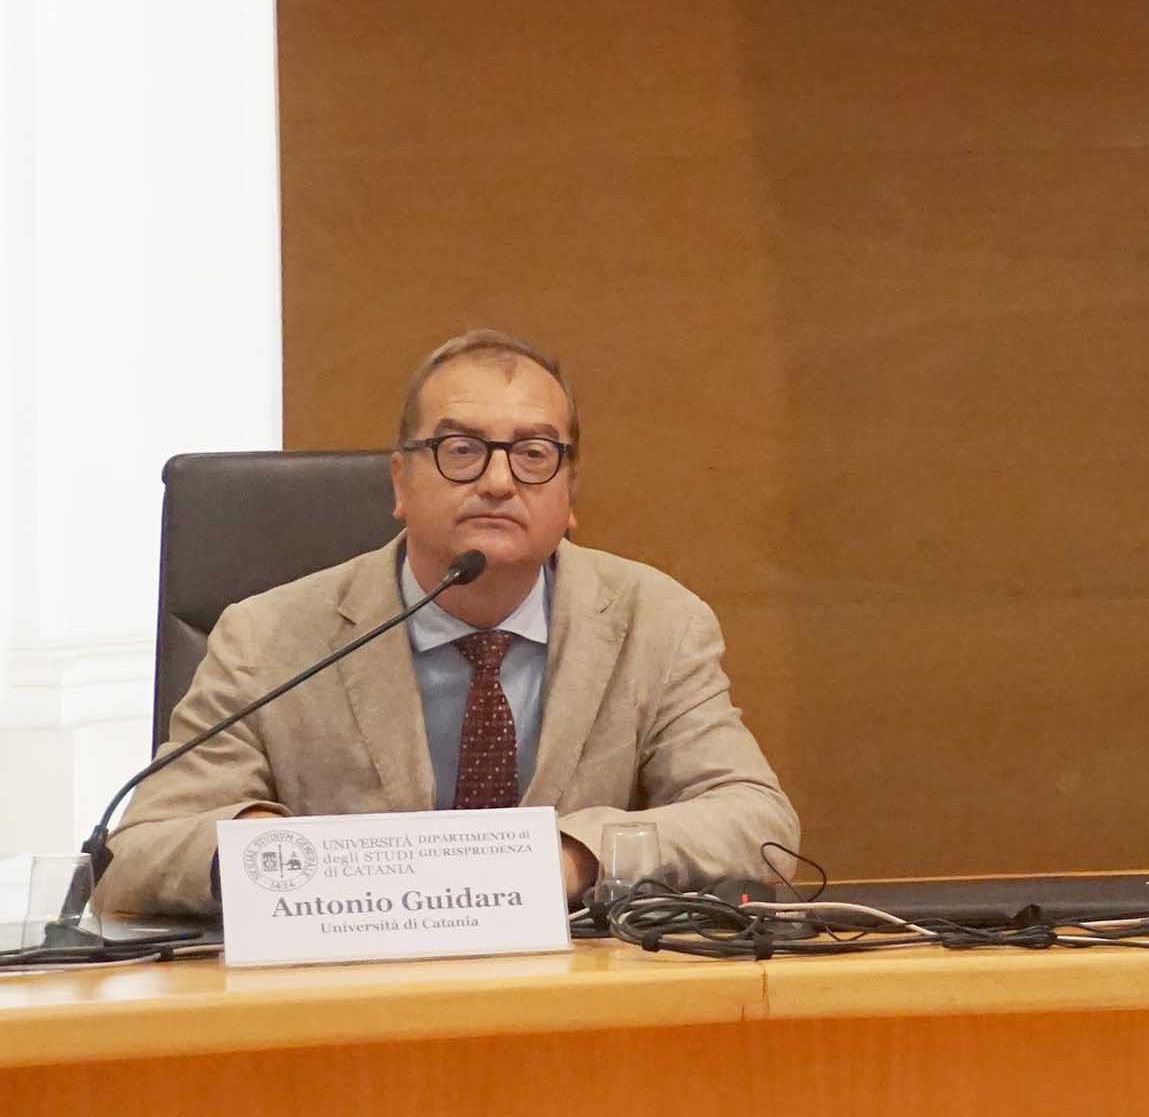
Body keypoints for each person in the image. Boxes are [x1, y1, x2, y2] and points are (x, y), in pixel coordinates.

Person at [97, 329, 798, 917]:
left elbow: (757, 823)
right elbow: (140, 851)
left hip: (573, 1009)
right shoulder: (267, 637)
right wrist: (265, 850)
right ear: (400, 482)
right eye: (461, 450)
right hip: (344, 1010)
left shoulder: (658, 622)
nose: (498, 481)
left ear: (570, 493)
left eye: (533, 454)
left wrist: (574, 857)